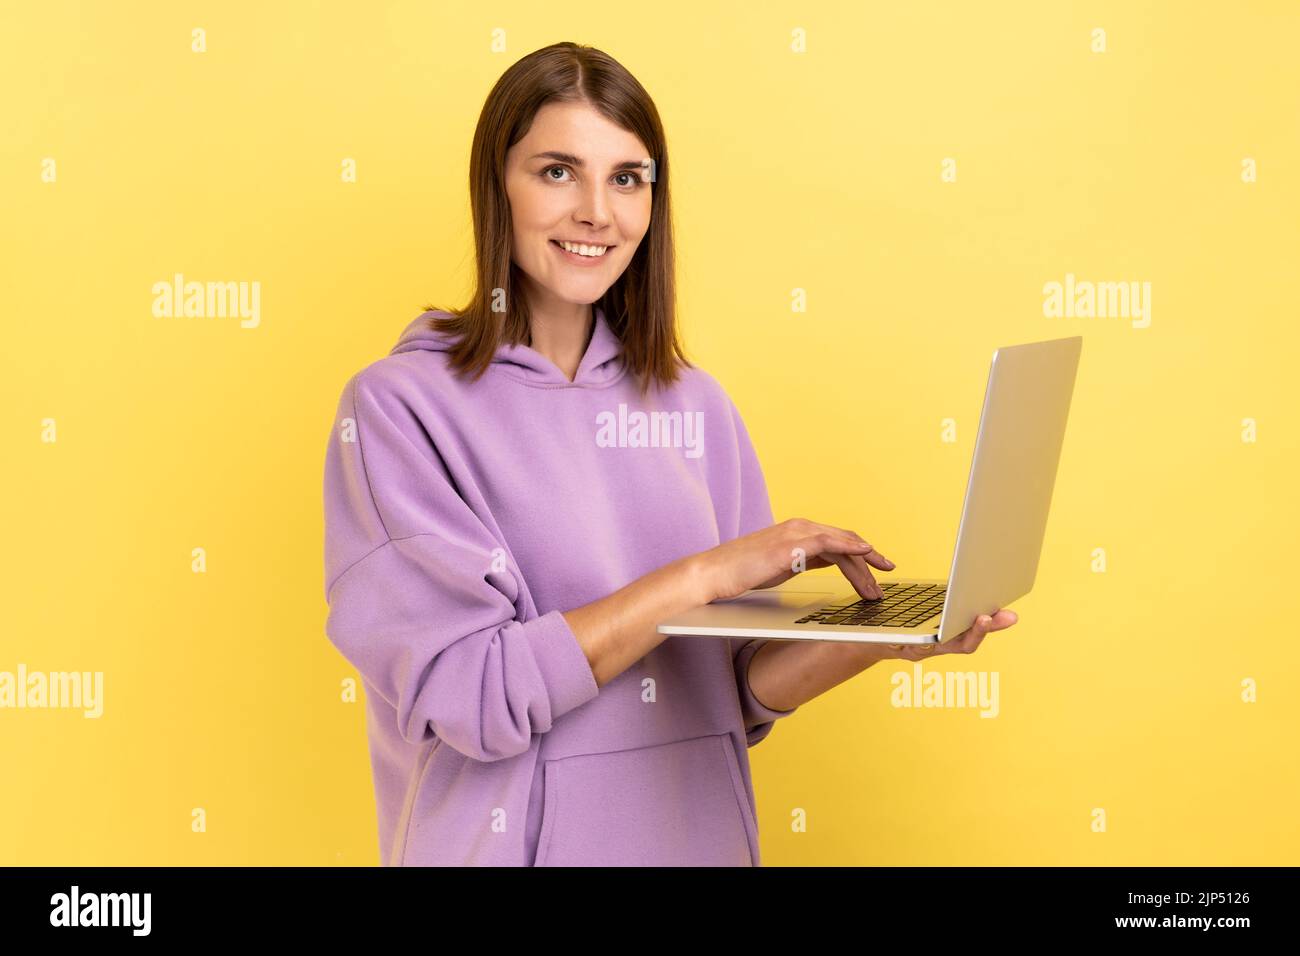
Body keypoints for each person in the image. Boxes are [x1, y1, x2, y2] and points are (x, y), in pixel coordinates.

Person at [321, 41, 1018, 867]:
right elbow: (475, 700)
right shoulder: (400, 411)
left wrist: (887, 639)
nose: (596, 212)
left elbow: (732, 690)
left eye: (626, 178)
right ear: (494, 186)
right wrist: (705, 575)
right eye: (556, 171)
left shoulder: (697, 405)